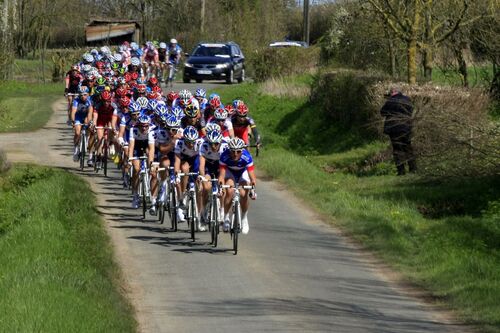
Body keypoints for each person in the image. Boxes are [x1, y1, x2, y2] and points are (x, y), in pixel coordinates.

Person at [218, 137, 257, 234]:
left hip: (242, 173)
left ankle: (244, 218)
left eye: (238, 151)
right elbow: (222, 175)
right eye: (233, 151)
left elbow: (252, 176)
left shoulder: (247, 157)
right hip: (230, 173)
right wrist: (221, 186)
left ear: (242, 151)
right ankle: (226, 217)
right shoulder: (224, 156)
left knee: (244, 194)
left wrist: (252, 188)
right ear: (229, 150)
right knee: (230, 191)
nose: (235, 154)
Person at [380, 87, 416, 175]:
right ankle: (413, 168)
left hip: (394, 128)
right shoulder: (407, 99)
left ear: (392, 92)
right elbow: (411, 111)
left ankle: (401, 171)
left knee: (397, 149)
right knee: (408, 147)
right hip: (406, 127)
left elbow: (382, 112)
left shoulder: (390, 101)